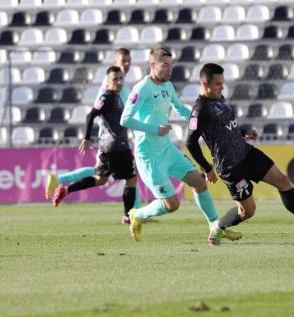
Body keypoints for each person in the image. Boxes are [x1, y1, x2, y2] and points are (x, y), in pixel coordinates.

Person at [120, 47, 241, 245]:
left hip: (167, 150)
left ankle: (214, 226)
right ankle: (137, 215)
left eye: (171, 65)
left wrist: (201, 121)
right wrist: (154, 128)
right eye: (165, 65)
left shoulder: (167, 86)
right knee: (172, 204)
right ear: (152, 65)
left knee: (199, 183)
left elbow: (179, 108)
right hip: (149, 157)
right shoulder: (142, 88)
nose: (169, 69)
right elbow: (125, 119)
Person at [185, 63, 294, 244]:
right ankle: (218, 227)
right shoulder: (199, 110)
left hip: (247, 153)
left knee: (283, 181)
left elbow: (226, 127)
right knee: (247, 212)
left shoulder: (219, 97)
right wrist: (207, 168)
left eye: (223, 83)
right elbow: (190, 142)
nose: (222, 87)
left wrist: (244, 132)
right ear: (205, 84)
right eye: (218, 84)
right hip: (230, 168)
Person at [45, 48, 140, 224]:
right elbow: (92, 114)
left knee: (100, 179)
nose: (119, 81)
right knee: (131, 179)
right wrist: (87, 138)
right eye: (116, 79)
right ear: (109, 80)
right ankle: (129, 216)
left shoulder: (117, 94)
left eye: (120, 79)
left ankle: (65, 189)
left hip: (109, 144)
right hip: (116, 144)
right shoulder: (109, 95)